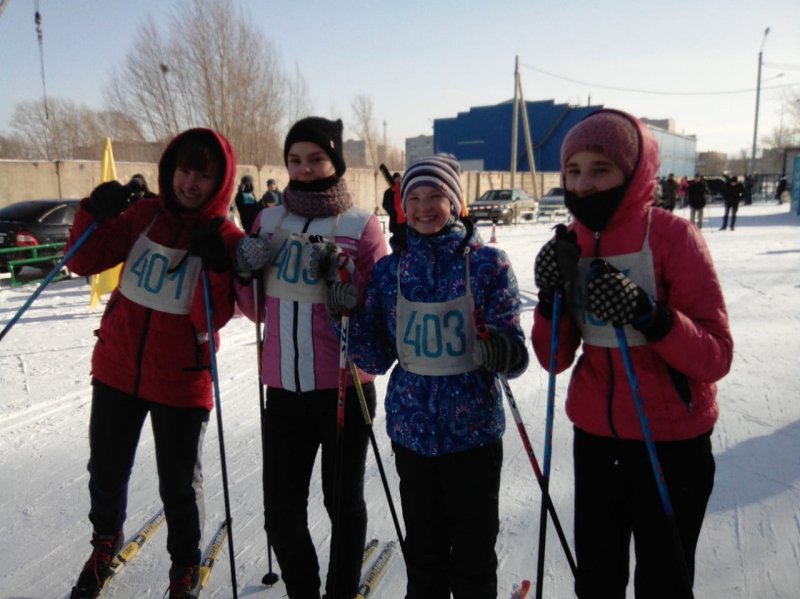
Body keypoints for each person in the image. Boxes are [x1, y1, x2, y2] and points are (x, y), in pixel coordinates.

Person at [531, 109, 733, 599]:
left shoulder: (672, 237)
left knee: (664, 582)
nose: (584, 183)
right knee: (597, 580)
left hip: (672, 443)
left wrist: (652, 317)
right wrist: (550, 301)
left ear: (633, 170)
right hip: (597, 440)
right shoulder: (570, 244)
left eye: (600, 168)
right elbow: (554, 360)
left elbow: (715, 356)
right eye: (573, 170)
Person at [65, 128, 244, 598]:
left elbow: (214, 317)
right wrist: (92, 211)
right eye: (184, 170)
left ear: (218, 181)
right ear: (170, 169)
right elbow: (82, 261)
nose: (189, 183)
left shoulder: (223, 236)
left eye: (203, 175)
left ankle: (184, 566)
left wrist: (219, 265)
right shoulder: (143, 215)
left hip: (182, 381)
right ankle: (105, 540)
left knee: (179, 486)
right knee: (105, 469)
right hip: (118, 368)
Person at [349, 155, 529, 598]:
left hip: (474, 436)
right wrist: (344, 318)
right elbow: (374, 356)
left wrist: (500, 350)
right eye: (415, 197)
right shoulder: (391, 271)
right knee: (425, 556)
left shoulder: (488, 264)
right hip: (412, 434)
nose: (425, 207)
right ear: (402, 205)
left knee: (472, 557)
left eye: (437, 196)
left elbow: (515, 354)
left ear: (457, 202)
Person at [232, 116, 388, 599]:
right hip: (281, 388)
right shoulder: (267, 220)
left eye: (316, 159)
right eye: (295, 160)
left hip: (343, 387)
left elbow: (381, 307)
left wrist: (347, 294)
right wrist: (245, 270)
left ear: (335, 162)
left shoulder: (361, 225)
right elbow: (250, 307)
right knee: (280, 513)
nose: (304, 169)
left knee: (341, 502)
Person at [381, 171, 406, 250]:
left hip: (404, 222)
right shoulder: (388, 192)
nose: (397, 181)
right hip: (395, 222)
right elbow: (385, 205)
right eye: (396, 179)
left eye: (399, 179)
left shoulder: (403, 190)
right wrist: (395, 211)